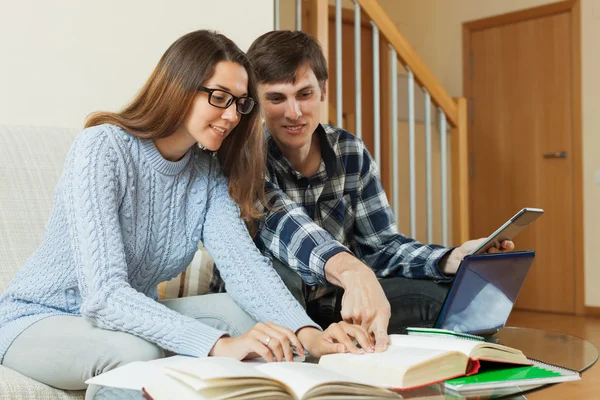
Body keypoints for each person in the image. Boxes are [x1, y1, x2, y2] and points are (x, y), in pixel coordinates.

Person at [0, 30, 371, 399]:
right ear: (179, 87)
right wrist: (216, 344)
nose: (230, 116)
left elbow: (245, 268)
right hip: (39, 318)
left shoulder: (205, 172)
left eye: (239, 104)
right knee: (136, 354)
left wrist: (311, 336)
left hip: (129, 319)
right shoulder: (102, 148)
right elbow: (104, 296)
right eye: (219, 97)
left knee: (250, 319)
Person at [210, 30, 514, 351]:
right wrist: (353, 271)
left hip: (335, 303)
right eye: (276, 98)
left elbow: (381, 247)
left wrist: (450, 259)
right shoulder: (245, 155)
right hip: (270, 304)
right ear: (256, 101)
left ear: (323, 91)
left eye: (304, 94)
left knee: (443, 300)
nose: (294, 112)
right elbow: (286, 226)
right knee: (282, 273)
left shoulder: (350, 151)